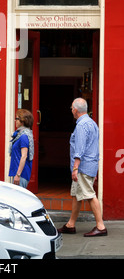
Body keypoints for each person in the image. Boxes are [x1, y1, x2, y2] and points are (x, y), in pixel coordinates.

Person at [58, 98, 107, 237]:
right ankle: (70, 224)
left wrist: (75, 168)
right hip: (90, 165)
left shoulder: (81, 126)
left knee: (89, 195)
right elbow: (95, 147)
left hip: (83, 167)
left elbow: (79, 149)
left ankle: (101, 226)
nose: (71, 111)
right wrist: (95, 168)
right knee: (76, 195)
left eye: (71, 108)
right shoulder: (92, 123)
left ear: (75, 110)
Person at [8, 109, 34, 189]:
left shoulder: (23, 136)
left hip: (21, 174)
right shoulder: (19, 134)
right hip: (17, 173)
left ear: (23, 121)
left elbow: (24, 156)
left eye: (17, 118)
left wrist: (18, 175)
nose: (15, 120)